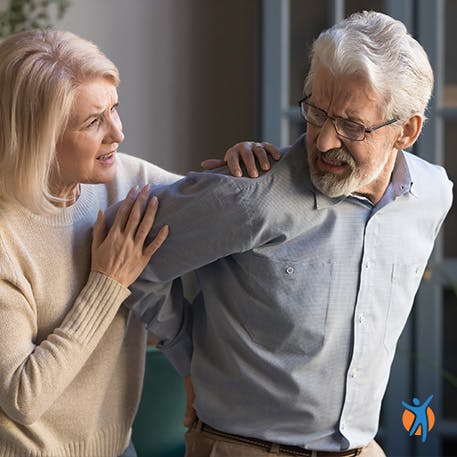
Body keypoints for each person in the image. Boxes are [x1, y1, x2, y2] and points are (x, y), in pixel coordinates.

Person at [114, 10, 453, 457]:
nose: (326, 141)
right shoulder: (253, 194)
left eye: (352, 125)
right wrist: (190, 361)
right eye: (316, 112)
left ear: (406, 131)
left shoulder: (432, 194)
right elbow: (130, 253)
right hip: (245, 448)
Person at [0, 28, 266, 457]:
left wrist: (249, 167)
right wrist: (107, 282)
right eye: (93, 122)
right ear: (39, 137)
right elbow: (22, 398)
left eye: (114, 110)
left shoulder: (128, 181)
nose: (117, 133)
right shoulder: (6, 236)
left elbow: (230, 216)